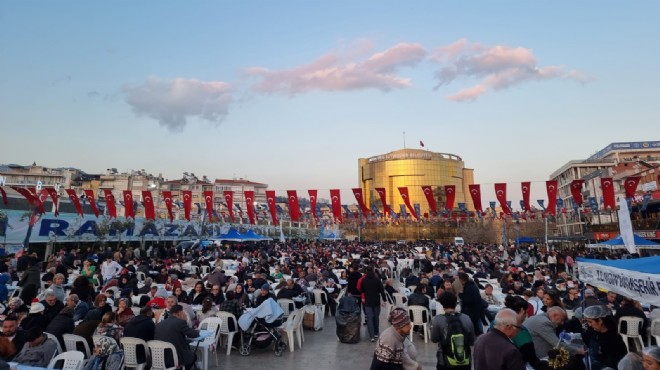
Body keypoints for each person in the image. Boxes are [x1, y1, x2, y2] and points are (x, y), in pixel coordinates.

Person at [431, 292, 475, 370]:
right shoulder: (466, 318)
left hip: (445, 361)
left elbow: (434, 339)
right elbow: (472, 340)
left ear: (442, 305)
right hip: (465, 361)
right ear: (455, 304)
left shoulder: (438, 319)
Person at [154, 304, 199, 370]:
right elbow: (193, 334)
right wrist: (198, 331)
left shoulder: (160, 324)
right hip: (174, 358)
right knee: (193, 356)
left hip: (159, 357)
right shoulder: (180, 322)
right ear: (180, 312)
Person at [582, 304, 627, 370]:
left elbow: (615, 363)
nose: (589, 325)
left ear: (600, 321)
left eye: (590, 322)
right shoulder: (593, 332)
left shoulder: (614, 339)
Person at [360, 266, 387, 342]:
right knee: (376, 317)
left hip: (368, 301)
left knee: (369, 318)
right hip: (376, 301)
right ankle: (376, 332)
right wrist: (384, 300)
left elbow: (361, 290)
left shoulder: (364, 280)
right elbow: (382, 290)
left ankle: (371, 336)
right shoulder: (377, 280)